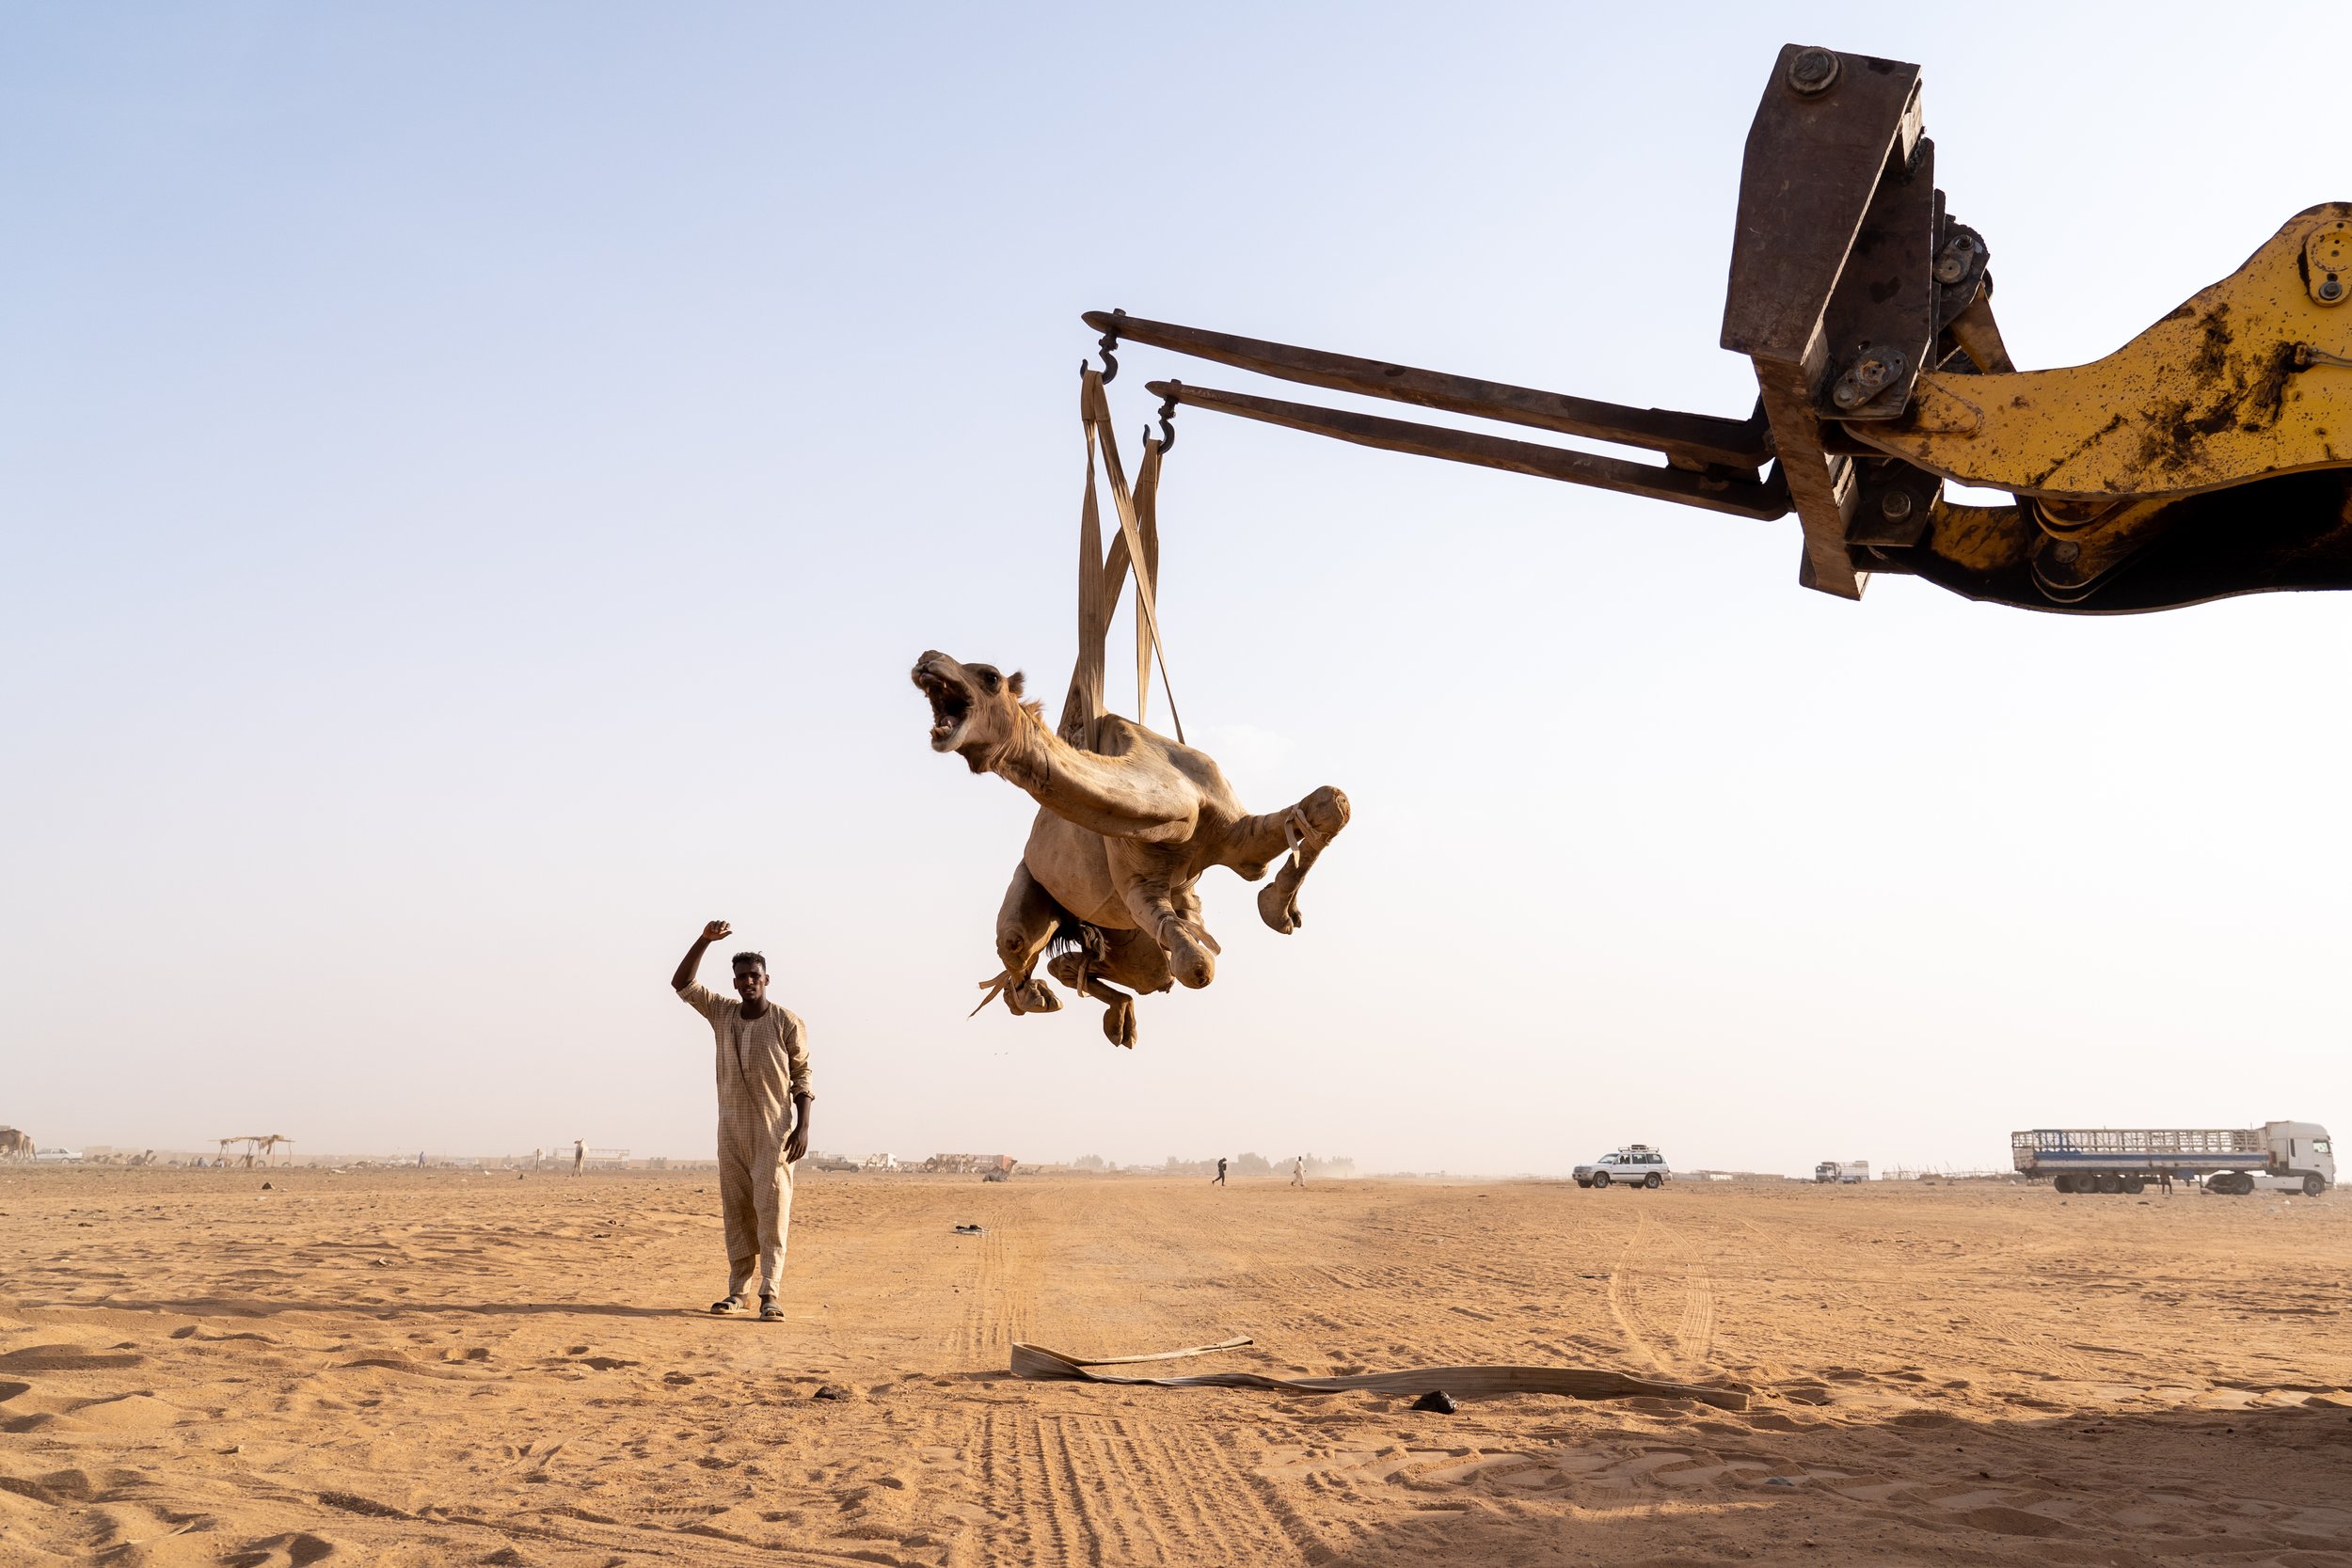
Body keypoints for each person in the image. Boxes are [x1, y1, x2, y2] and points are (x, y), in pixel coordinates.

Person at [672, 919, 814, 1323]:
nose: (749, 982)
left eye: (755, 976)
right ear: (735, 983)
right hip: (731, 1134)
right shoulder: (722, 1014)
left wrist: (803, 1126)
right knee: (737, 1213)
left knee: (773, 1214)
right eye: (742, 978)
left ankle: (771, 1294)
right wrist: (702, 940)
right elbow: (682, 984)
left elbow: (803, 1075)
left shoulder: (786, 1022)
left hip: (774, 1134)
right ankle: (738, 1292)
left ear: (767, 979)